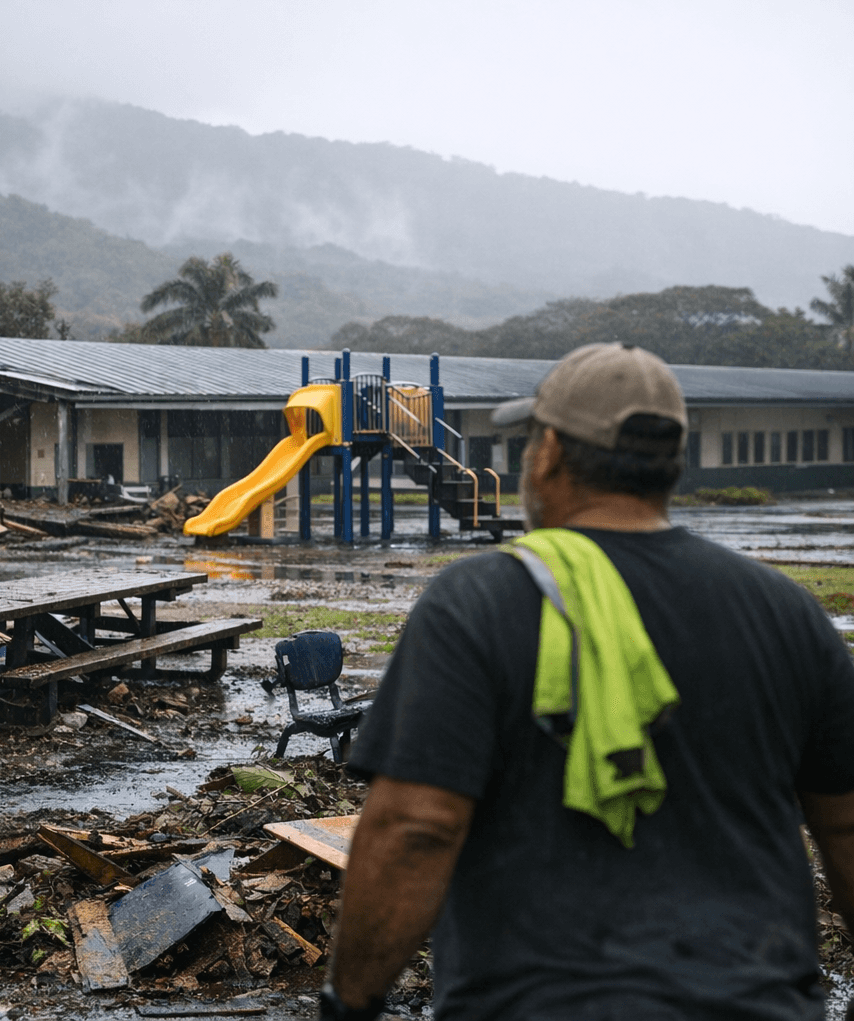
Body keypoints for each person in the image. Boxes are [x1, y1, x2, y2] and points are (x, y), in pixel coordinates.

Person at [324, 343, 854, 1021]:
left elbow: (415, 828)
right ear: (673, 465)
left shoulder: (480, 603)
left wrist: (349, 1003)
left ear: (547, 454)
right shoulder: (788, 613)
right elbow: (845, 827)